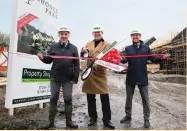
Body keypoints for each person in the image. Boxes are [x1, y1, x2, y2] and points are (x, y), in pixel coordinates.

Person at [119, 29, 169, 128]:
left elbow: (153, 58)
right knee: (129, 99)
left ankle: (146, 119)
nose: (135, 37)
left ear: (140, 36)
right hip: (131, 77)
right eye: (133, 35)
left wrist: (162, 57)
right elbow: (124, 60)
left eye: (137, 35)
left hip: (142, 77)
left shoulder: (146, 48)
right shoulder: (128, 48)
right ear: (131, 37)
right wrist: (118, 58)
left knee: (145, 99)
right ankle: (128, 116)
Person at [37, 25, 80, 129]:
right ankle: (50, 123)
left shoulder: (74, 48)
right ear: (59, 35)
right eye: (62, 34)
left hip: (68, 78)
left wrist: (75, 78)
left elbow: (77, 64)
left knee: (68, 99)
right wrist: (42, 58)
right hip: (55, 77)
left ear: (68, 35)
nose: (64, 36)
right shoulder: (53, 46)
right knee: (53, 99)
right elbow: (48, 60)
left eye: (66, 34)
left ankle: (69, 122)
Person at [80, 24, 115, 129]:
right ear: (92, 33)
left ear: (102, 33)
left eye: (99, 32)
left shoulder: (108, 44)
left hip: (100, 73)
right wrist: (83, 52)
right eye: (95, 32)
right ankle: (93, 118)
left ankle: (107, 120)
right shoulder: (88, 43)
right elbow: (83, 57)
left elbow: (110, 58)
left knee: (104, 97)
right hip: (90, 73)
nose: (97, 33)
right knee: (90, 97)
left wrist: (98, 64)